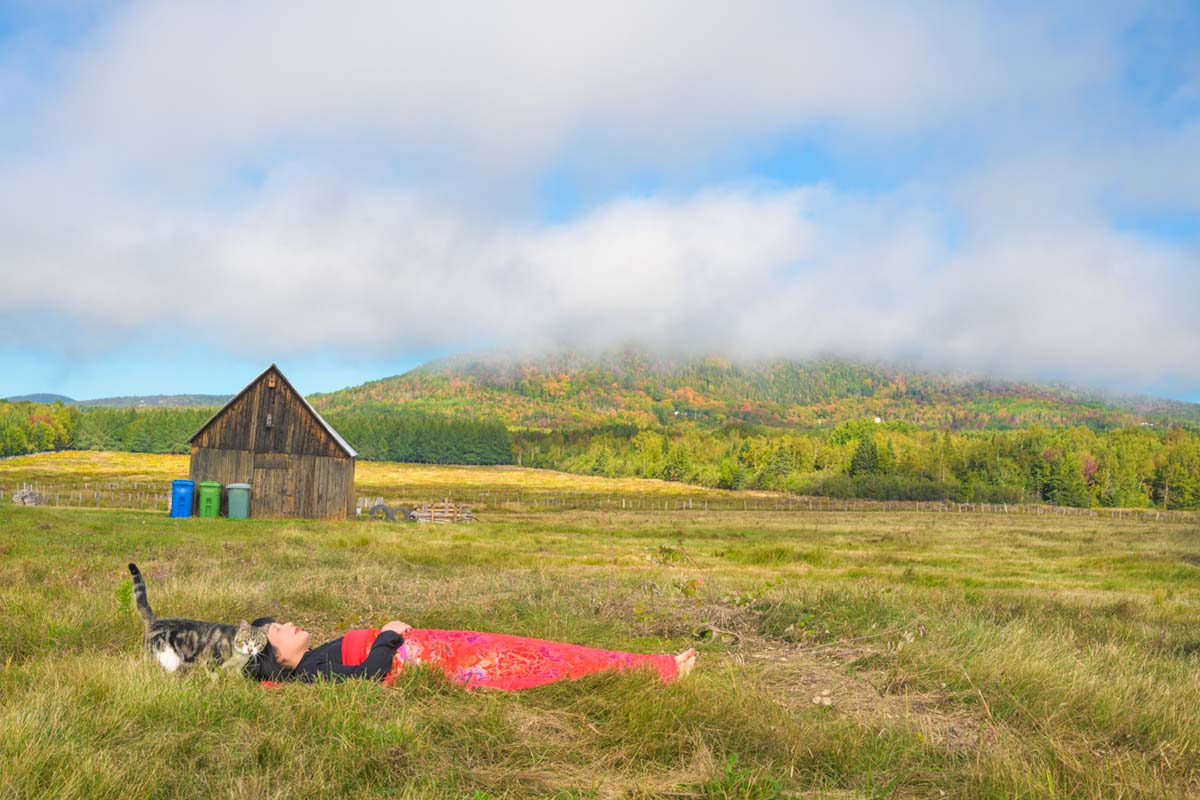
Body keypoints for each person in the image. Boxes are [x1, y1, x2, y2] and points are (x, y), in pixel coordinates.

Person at [245, 618, 697, 689]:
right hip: (437, 657)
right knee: (528, 662)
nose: (287, 624)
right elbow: (367, 676)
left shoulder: (315, 659)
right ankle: (655, 670)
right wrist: (388, 636)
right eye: (277, 631)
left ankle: (651, 666)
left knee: (533, 650)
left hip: (437, 644)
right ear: (279, 657)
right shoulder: (311, 676)